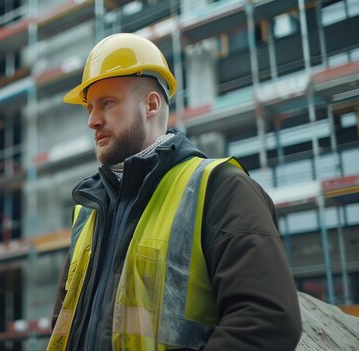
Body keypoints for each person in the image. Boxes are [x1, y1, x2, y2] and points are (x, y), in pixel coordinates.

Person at [47, 33, 302, 351]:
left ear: (151, 104)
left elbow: (266, 321)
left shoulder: (220, 189)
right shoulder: (87, 212)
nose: (92, 121)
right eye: (88, 109)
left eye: (107, 103)